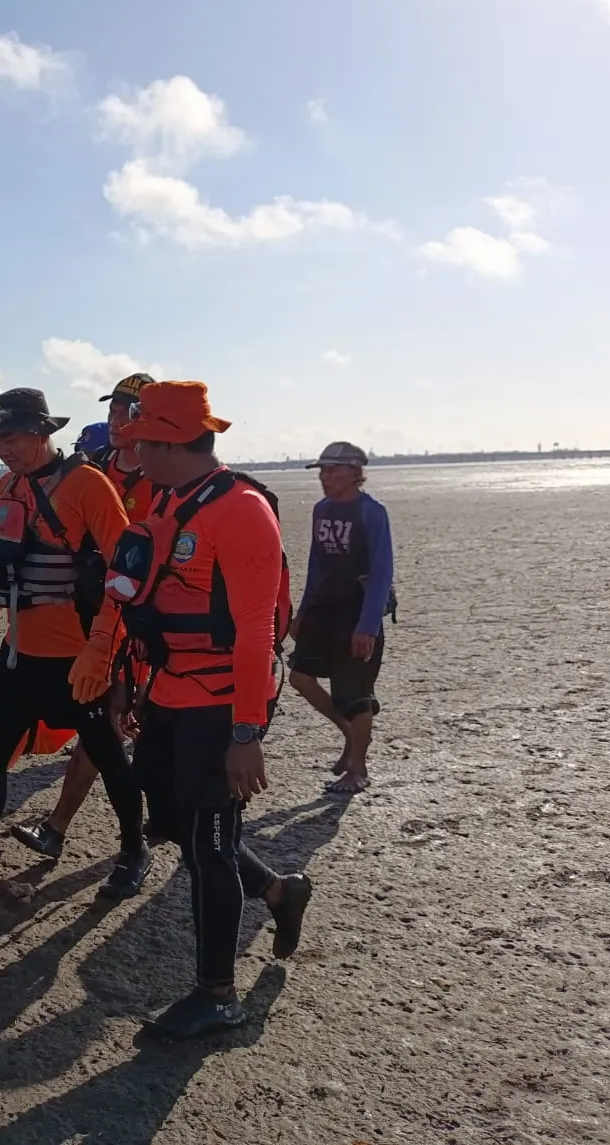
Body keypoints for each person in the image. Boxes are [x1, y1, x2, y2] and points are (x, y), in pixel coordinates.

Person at [105, 380, 312, 1039]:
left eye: (142, 442)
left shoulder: (243, 510)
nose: (132, 451)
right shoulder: (163, 498)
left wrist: (246, 734)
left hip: (224, 703)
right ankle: (281, 891)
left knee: (211, 842)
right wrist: (137, 684)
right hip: (169, 692)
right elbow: (148, 601)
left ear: (170, 443)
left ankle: (217, 995)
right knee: (171, 821)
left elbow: (255, 633)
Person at [0, 388, 149, 924]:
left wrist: (99, 651)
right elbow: (1, 571)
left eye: (12, 438)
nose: (3, 449)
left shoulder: (89, 486)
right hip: (18, 660)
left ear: (43, 433)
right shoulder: (7, 486)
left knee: (109, 759)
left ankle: (134, 849)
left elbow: (126, 574)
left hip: (75, 663)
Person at [10, 371, 159, 862]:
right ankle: (73, 829)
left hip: (145, 623)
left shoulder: (168, 478)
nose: (116, 418)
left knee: (118, 730)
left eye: (128, 411)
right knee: (104, 725)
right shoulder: (92, 470)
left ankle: (142, 836)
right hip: (94, 622)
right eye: (113, 409)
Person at [287, 441, 395, 796]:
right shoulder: (321, 510)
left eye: (332, 470)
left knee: (355, 694)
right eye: (322, 471)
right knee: (300, 678)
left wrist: (367, 626)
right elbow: (317, 564)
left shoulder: (372, 513)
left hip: (357, 609)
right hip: (323, 607)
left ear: (354, 472)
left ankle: (358, 769)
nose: (325, 477)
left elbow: (381, 572)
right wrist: (302, 611)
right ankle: (350, 734)